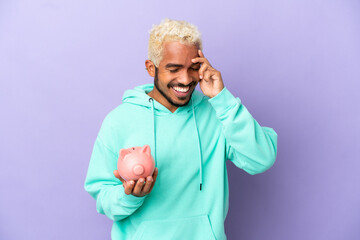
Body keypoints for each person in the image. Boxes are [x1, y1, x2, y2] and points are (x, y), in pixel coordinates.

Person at [84, 18, 278, 240]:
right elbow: (104, 197)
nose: (186, 79)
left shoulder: (218, 112)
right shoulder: (118, 121)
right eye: (174, 69)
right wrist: (130, 196)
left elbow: (262, 159)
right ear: (151, 68)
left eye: (193, 68)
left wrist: (222, 99)